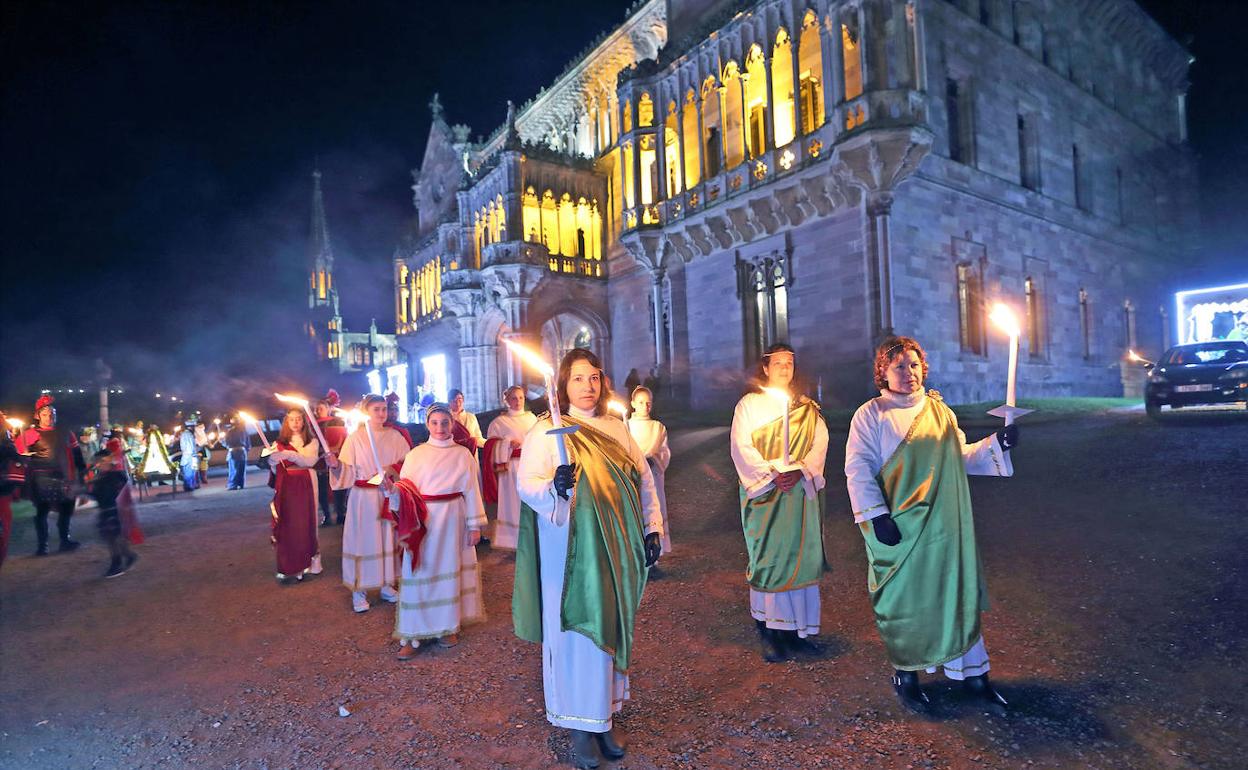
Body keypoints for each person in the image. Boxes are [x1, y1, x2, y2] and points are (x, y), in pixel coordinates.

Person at [844, 336, 1019, 714]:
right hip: (900, 527)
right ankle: (906, 675)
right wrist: (876, 515)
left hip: (944, 524)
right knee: (905, 600)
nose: (908, 373)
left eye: (913, 364)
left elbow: (960, 457)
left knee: (954, 591)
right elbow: (858, 468)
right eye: (899, 366)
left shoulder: (940, 411)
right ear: (883, 373)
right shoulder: (871, 414)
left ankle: (974, 675)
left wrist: (996, 444)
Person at [515, 348, 664, 768]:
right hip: (569, 553)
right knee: (577, 638)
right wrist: (555, 488)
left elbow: (643, 479)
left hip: (615, 548)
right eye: (578, 378)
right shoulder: (547, 429)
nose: (588, 386)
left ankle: (605, 718)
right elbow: (528, 484)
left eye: (594, 377)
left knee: (610, 629)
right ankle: (580, 728)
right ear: (562, 385)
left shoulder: (616, 428)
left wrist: (652, 527)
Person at [729, 343, 830, 663]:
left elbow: (819, 441)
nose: (785, 368)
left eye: (790, 363)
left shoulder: (805, 407)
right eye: (778, 363)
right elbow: (741, 445)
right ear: (765, 368)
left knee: (800, 559)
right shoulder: (749, 405)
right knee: (770, 561)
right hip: (766, 495)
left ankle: (798, 632)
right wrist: (771, 474)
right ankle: (770, 631)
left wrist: (801, 470)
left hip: (797, 494)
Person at [388, 403, 487, 658]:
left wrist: (474, 524)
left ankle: (446, 627)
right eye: (435, 423)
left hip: (454, 518)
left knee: (449, 571)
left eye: (445, 422)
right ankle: (413, 634)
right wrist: (391, 491)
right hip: (424, 520)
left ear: (452, 424)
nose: (440, 428)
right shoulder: (416, 454)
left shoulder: (463, 455)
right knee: (419, 572)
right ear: (427, 424)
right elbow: (405, 489)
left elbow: (472, 490)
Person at [329, 394, 409, 613]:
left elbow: (407, 463)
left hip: (385, 494)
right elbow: (346, 470)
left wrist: (391, 470)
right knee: (363, 541)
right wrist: (335, 465)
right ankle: (359, 591)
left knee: (386, 539)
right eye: (376, 409)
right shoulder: (356, 438)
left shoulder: (395, 436)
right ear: (366, 411)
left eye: (384, 408)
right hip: (363, 497)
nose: (382, 413)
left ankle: (386, 584)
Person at [19, 395, 85, 555]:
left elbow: (77, 455)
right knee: (42, 511)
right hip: (41, 478)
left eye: (51, 413)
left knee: (66, 509)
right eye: (45, 414)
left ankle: (65, 541)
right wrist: (22, 453)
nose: (49, 417)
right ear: (38, 415)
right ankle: (43, 546)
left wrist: (81, 475)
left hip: (63, 477)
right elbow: (19, 454)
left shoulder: (66, 433)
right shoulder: (30, 434)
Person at [266, 407, 324, 581]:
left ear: (304, 421)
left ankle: (313, 561)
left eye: (299, 419)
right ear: (286, 422)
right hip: (288, 484)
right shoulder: (279, 443)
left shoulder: (312, 441)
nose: (295, 423)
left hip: (307, 480)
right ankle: (293, 564)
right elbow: (276, 469)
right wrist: (272, 460)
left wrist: (289, 454)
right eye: (291, 419)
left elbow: (310, 461)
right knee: (290, 522)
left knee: (309, 520)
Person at [482, 385, 537, 550]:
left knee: (530, 500)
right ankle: (512, 540)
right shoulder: (499, 422)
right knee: (513, 503)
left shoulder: (532, 418)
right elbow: (490, 445)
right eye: (514, 398)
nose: (518, 401)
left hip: (529, 465)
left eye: (521, 398)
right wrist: (506, 444)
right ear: (507, 400)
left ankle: (532, 537)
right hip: (510, 468)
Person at [627, 386, 672, 560]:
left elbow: (664, 452)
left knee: (653, 509)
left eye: (648, 403)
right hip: (634, 477)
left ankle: (654, 557)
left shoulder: (657, 427)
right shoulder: (626, 426)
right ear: (633, 404)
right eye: (640, 402)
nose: (645, 406)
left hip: (653, 476)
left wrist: (655, 458)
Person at [86, 448, 139, 578]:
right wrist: (85, 491)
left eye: (101, 461)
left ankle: (117, 564)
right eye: (97, 462)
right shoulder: (100, 477)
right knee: (111, 538)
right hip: (105, 510)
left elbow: (120, 492)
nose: (98, 464)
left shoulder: (117, 475)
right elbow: (97, 495)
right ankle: (129, 556)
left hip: (115, 510)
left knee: (114, 537)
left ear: (109, 460)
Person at [314, 391, 349, 525]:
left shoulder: (337, 422)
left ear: (328, 409)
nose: (318, 410)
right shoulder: (312, 424)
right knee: (322, 490)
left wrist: (336, 450)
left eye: (321, 408)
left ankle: (340, 513)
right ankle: (327, 515)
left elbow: (343, 439)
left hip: (337, 458)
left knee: (339, 487)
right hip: (320, 461)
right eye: (316, 408)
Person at [448, 389, 483, 456]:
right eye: (454, 400)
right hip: (454, 455)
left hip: (471, 454)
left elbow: (478, 438)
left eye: (459, 399)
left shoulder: (471, 417)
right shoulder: (446, 419)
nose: (457, 403)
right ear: (449, 402)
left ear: (463, 400)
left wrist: (492, 444)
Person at [220, 420, 251, 490]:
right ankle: (241, 483)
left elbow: (227, 443)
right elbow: (248, 444)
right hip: (243, 452)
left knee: (234, 469)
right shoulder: (244, 431)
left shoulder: (230, 432)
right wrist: (246, 450)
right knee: (242, 469)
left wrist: (221, 440)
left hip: (233, 452)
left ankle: (233, 485)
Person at [179, 418, 200, 491]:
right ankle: (188, 486)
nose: (194, 428)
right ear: (190, 427)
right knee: (189, 472)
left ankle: (192, 485)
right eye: (193, 427)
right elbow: (189, 447)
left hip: (192, 456)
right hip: (189, 456)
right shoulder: (186, 434)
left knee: (193, 472)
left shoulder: (190, 434)